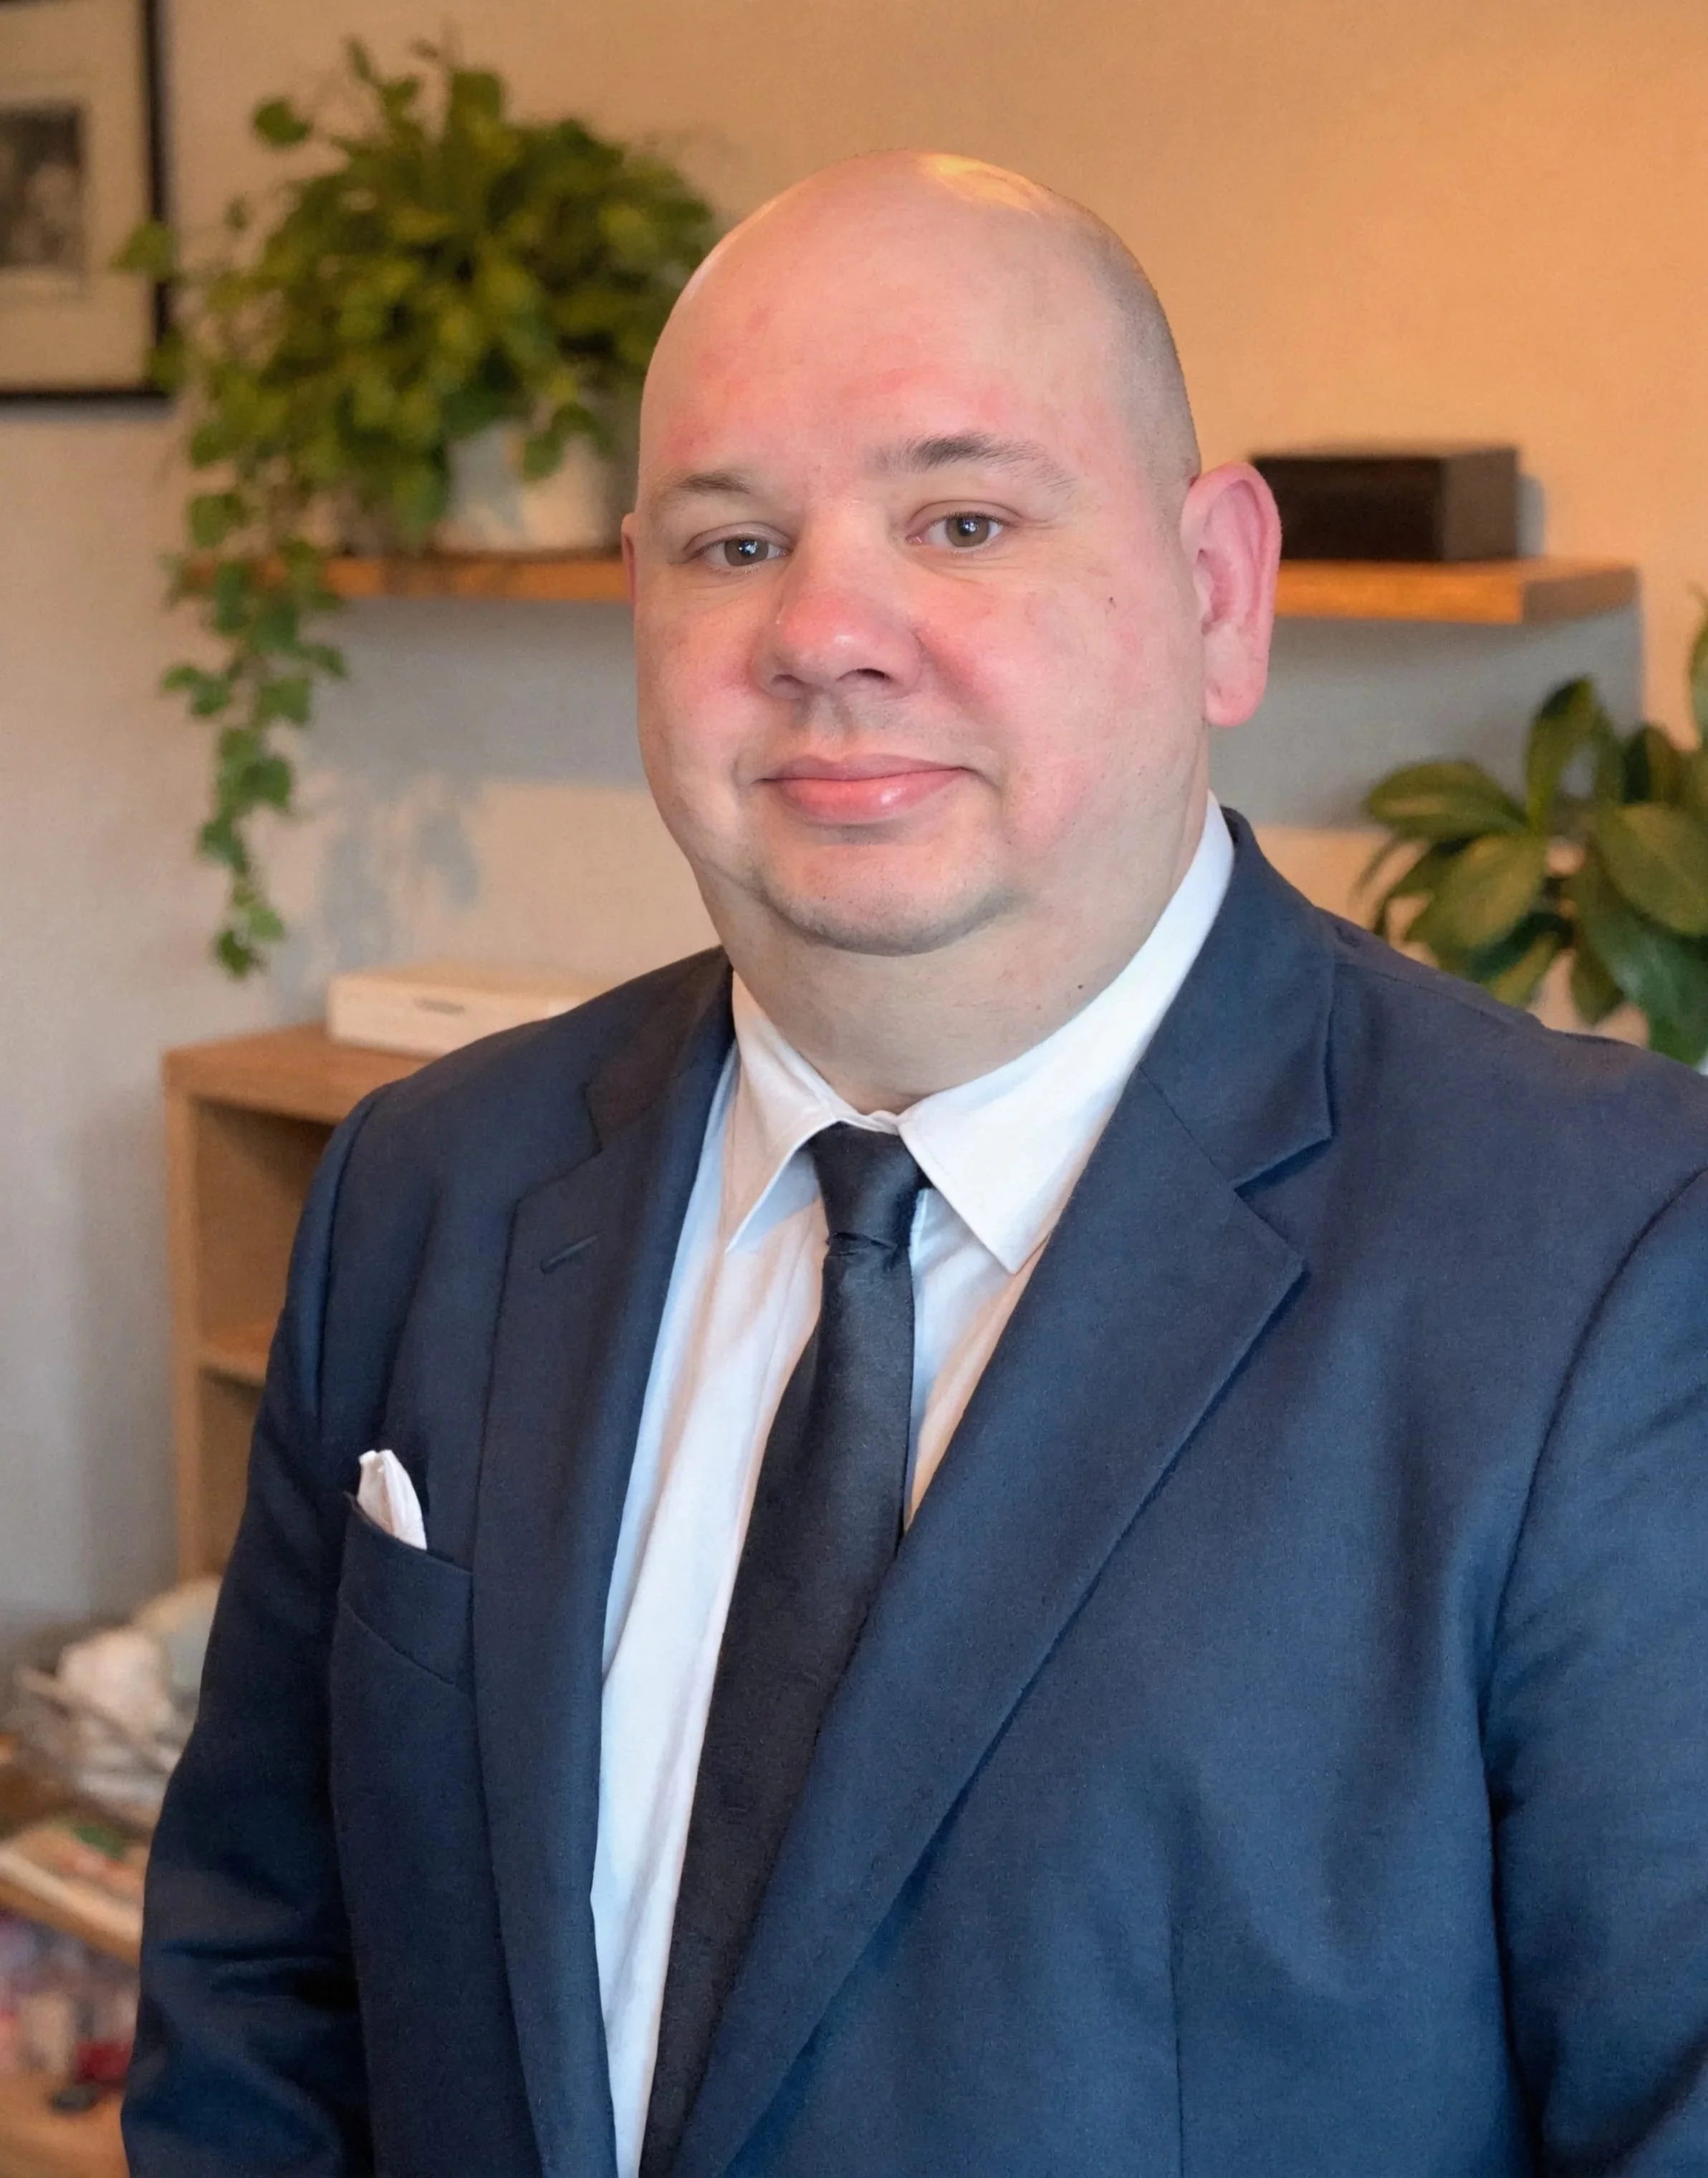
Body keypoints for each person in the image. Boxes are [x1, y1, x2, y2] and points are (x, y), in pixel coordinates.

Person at [125, 153, 1708, 2177]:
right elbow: (265, 1994)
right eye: (732, 542)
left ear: (1220, 593)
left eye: (964, 520)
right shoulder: (426, 1189)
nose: (825, 632)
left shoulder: (1613, 1265)